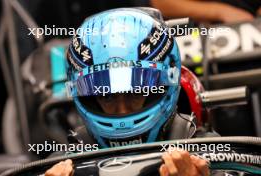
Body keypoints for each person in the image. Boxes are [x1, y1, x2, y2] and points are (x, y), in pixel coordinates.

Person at [45, 8, 212, 176]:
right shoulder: (63, 165)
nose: (122, 109)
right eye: (107, 96)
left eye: (136, 92)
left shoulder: (208, 152)